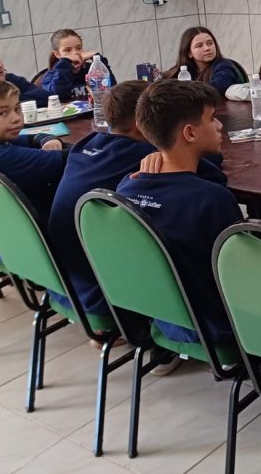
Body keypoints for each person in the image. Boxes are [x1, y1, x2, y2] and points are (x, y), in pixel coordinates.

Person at [47, 80, 227, 318]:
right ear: (141, 124)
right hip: (106, 294)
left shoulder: (86, 146)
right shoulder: (142, 156)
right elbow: (213, 173)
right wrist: (163, 152)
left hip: (70, 281)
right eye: (213, 118)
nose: (219, 125)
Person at [114, 79, 242, 345]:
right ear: (190, 133)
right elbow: (243, 274)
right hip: (214, 326)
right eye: (212, 118)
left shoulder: (126, 187)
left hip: (163, 318)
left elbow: (198, 179)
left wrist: (165, 159)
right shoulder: (212, 200)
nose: (219, 126)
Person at [0, 79, 66, 229]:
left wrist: (46, 139)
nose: (16, 118)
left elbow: (31, 138)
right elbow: (70, 158)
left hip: (4, 228)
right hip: (33, 228)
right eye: (2, 113)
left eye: (17, 109)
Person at [164, 27, 246, 98]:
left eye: (210, 43)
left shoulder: (224, 66)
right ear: (189, 53)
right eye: (199, 45)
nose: (207, 48)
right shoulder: (185, 70)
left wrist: (184, 91)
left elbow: (218, 87)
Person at [40, 28, 116, 102]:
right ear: (57, 54)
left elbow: (112, 90)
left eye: (79, 48)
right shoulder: (49, 76)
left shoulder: (91, 69)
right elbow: (60, 96)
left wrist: (98, 60)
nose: (75, 53)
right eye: (67, 50)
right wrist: (65, 63)